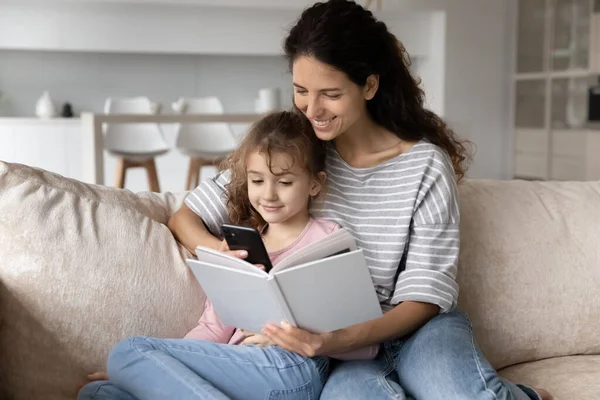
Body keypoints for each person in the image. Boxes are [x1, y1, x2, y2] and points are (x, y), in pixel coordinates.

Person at [169, 1, 553, 399]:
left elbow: (425, 296)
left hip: (416, 330)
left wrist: (331, 339)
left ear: (369, 86)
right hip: (346, 354)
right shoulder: (296, 153)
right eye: (301, 91)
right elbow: (184, 217)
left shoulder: (423, 165)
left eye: (330, 94)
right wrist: (217, 251)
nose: (312, 110)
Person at [78, 110, 377, 400]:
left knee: (126, 352)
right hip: (235, 367)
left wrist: (304, 338)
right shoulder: (239, 246)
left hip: (293, 368)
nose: (269, 194)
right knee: (99, 393)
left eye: (284, 182)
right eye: (257, 181)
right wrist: (156, 369)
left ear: (315, 183)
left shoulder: (329, 239)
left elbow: (366, 344)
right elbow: (212, 328)